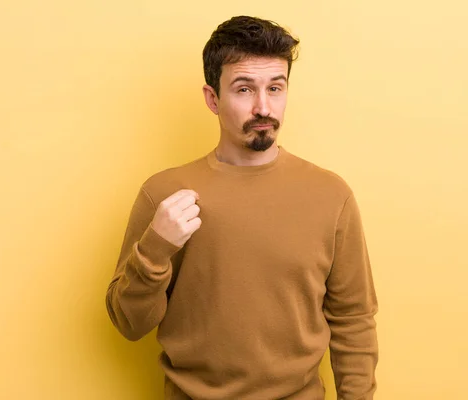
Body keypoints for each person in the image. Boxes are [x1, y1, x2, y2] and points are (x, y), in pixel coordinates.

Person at [105, 15, 378, 400]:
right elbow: (129, 324)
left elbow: (354, 320)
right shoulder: (163, 194)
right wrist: (154, 251)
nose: (263, 107)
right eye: (244, 89)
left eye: (275, 88)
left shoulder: (331, 195)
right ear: (213, 98)